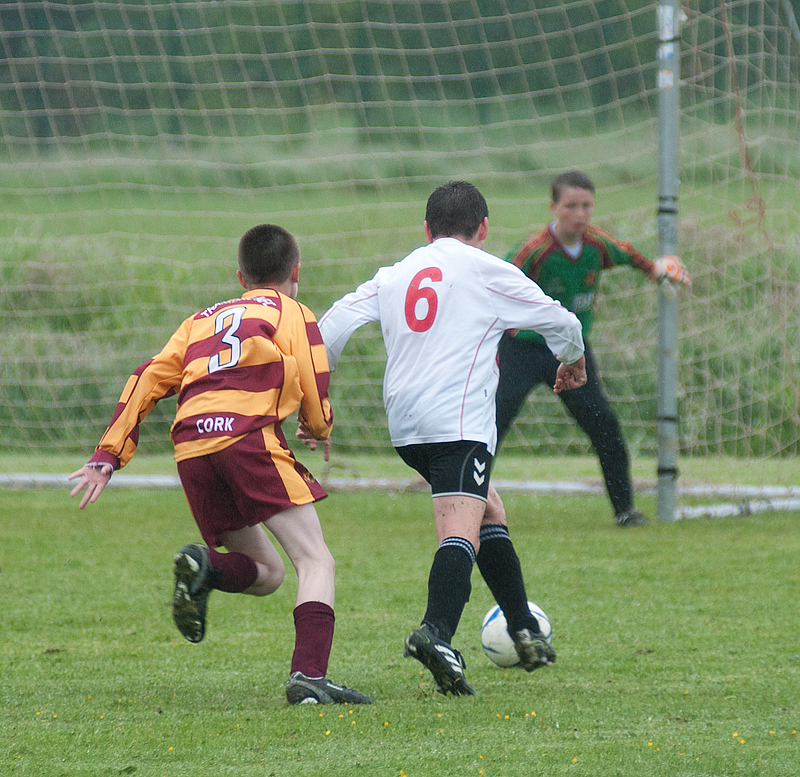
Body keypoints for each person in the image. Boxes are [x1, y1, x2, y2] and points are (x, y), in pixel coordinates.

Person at [69, 224, 374, 706]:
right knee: (316, 559)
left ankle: (206, 566)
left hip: (192, 448)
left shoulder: (199, 321)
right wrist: (317, 428)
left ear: (240, 277)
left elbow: (147, 377)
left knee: (267, 573)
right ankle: (309, 678)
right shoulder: (292, 311)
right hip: (246, 439)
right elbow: (316, 380)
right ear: (296, 272)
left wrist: (107, 455)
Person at [312, 181, 586, 696]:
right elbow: (561, 319)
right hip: (457, 423)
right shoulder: (486, 269)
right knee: (460, 530)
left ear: (426, 229)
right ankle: (434, 633)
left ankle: (523, 628)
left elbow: (329, 329)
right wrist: (572, 360)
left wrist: (316, 397)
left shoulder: (395, 273)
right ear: (483, 228)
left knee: (489, 509)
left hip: (405, 426)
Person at [495, 170, 691, 528]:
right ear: (553, 207)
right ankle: (465, 503)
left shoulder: (598, 245)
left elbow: (631, 255)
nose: (580, 214)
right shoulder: (535, 250)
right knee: (491, 423)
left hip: (571, 353)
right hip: (521, 349)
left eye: (586, 205)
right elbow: (500, 281)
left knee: (604, 425)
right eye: (571, 206)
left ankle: (625, 511)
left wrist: (657, 269)